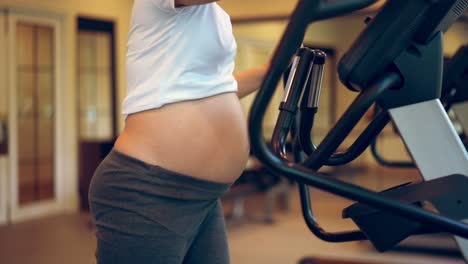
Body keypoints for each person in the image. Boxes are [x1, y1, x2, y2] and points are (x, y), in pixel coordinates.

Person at [88, 0, 269, 263]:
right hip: (148, 191)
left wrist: (274, 69)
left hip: (204, 196)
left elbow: (214, 87)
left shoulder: (215, 15)